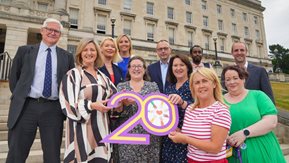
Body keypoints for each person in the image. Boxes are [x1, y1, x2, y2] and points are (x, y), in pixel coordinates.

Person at [6, 18, 75, 163]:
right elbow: (15, 80)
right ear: (42, 31)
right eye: (49, 29)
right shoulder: (24, 51)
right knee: (16, 153)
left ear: (60, 35)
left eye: (56, 31)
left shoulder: (67, 57)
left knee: (52, 155)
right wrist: (22, 97)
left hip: (53, 109)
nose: (52, 32)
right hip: (26, 107)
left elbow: (68, 83)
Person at [59, 38, 117, 162]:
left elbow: (114, 99)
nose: (89, 53)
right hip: (81, 132)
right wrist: (91, 105)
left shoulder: (104, 77)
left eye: (92, 50)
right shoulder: (73, 74)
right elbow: (67, 105)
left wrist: (122, 101)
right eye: (85, 50)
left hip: (102, 131)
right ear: (80, 53)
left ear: (97, 53)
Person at [222, 65, 285, 163]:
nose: (232, 82)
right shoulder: (219, 100)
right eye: (228, 79)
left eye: (235, 78)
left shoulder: (258, 96)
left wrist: (245, 133)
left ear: (243, 79)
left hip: (261, 150)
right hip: (232, 154)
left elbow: (271, 121)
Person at [169, 68, 231, 163]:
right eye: (197, 83)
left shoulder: (221, 110)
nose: (201, 86)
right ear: (192, 87)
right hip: (191, 160)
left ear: (214, 84)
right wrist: (177, 133)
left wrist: (185, 138)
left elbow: (215, 147)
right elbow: (188, 137)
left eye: (205, 81)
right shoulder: (190, 109)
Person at [116, 56, 161, 162]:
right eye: (133, 66)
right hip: (128, 137)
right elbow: (116, 112)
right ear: (129, 69)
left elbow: (158, 110)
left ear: (144, 69)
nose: (136, 69)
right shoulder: (121, 87)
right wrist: (123, 105)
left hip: (150, 137)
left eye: (139, 66)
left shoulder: (153, 86)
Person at [161, 54, 194, 163]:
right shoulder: (169, 87)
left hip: (186, 136)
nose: (178, 68)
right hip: (169, 137)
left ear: (188, 67)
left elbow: (199, 108)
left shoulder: (194, 85)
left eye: (182, 65)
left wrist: (182, 102)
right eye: (175, 65)